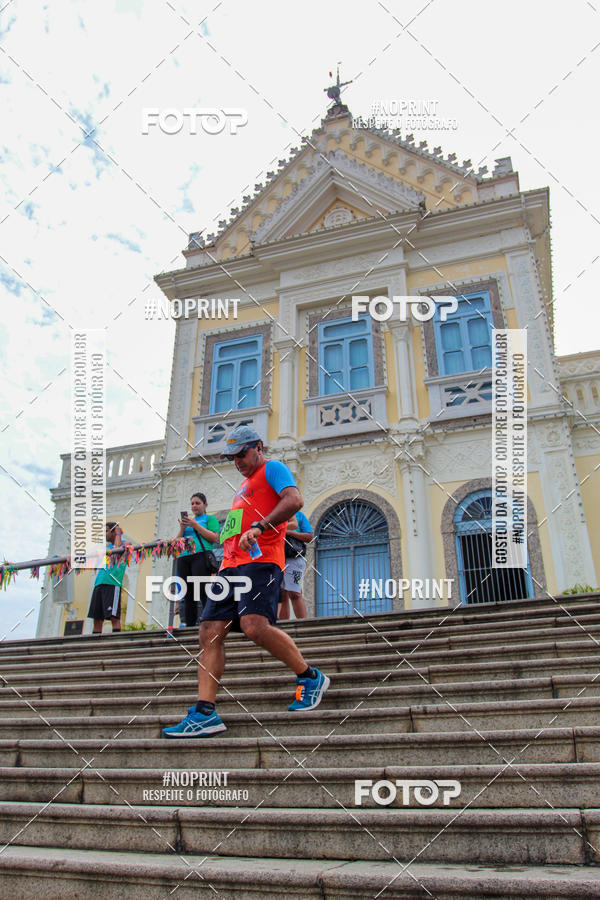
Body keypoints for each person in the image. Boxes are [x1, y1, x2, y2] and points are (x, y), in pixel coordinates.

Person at [163, 425, 329, 738]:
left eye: (242, 453)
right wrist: (223, 557)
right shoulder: (242, 489)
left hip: (262, 561)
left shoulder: (273, 469)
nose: (237, 460)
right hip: (231, 566)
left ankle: (309, 677)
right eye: (232, 457)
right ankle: (204, 712)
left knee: (254, 626)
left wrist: (261, 525)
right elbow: (230, 533)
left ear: (258, 447)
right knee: (209, 631)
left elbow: (294, 500)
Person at [174, 493, 220, 627]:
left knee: (202, 590)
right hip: (184, 557)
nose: (194, 506)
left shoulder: (209, 519)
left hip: (200, 555)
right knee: (188, 593)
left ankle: (207, 622)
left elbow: (214, 538)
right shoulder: (187, 523)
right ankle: (190, 624)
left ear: (205, 504)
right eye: (192, 503)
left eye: (197, 503)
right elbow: (177, 543)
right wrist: (183, 528)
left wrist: (195, 525)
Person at [87, 522, 126, 633]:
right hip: (99, 583)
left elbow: (116, 553)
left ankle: (116, 646)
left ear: (114, 531)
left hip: (112, 584)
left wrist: (118, 534)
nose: (104, 534)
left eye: (106, 531)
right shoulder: (105, 548)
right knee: (97, 619)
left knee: (114, 617)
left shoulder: (125, 544)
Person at [278, 510, 313, 620]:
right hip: (277, 559)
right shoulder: (274, 513)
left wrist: (289, 533)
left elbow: (310, 537)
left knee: (295, 593)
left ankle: (303, 625)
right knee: (282, 594)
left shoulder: (299, 515)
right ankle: (284, 627)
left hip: (294, 559)